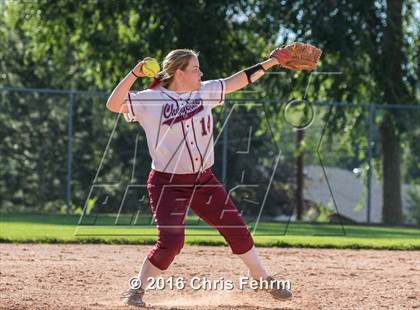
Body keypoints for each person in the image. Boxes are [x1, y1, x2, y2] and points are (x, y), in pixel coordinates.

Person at [107, 48, 294, 307]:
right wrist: (134, 74)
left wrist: (271, 62)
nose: (201, 73)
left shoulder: (204, 91)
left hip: (203, 181)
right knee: (171, 243)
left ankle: (262, 278)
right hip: (167, 184)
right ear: (180, 73)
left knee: (237, 230)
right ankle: (136, 291)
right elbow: (113, 104)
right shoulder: (151, 99)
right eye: (195, 68)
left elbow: (237, 80)